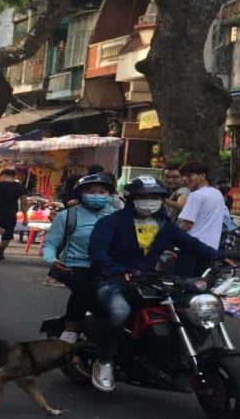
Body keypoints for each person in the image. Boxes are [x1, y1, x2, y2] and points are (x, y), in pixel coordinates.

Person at [88, 176, 223, 392]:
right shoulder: (110, 223)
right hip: (113, 280)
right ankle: (104, 360)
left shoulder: (164, 224)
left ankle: (174, 357)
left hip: (150, 280)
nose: (150, 201)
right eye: (144, 197)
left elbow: (191, 244)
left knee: (188, 308)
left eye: (155, 197)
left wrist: (219, 257)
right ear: (130, 199)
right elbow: (97, 254)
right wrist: (119, 271)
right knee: (120, 311)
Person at [42, 173, 116, 343]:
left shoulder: (117, 217)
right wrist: (52, 260)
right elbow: (50, 243)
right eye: (91, 192)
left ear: (109, 194)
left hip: (108, 266)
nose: (97, 195)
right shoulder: (68, 216)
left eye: (102, 192)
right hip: (74, 264)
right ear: (81, 194)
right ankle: (70, 331)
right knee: (85, 290)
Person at [177, 161, 229, 276]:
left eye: (189, 175)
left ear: (202, 176)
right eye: (184, 176)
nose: (185, 179)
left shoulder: (196, 195)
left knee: (185, 281)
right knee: (202, 280)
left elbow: (187, 224)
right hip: (211, 248)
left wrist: (173, 235)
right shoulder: (218, 194)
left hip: (192, 247)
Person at [0, 168, 29, 261]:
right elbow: (24, 204)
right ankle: (1, 250)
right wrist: (25, 217)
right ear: (14, 176)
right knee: (7, 234)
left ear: (4, 176)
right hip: (11, 214)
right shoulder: (21, 187)